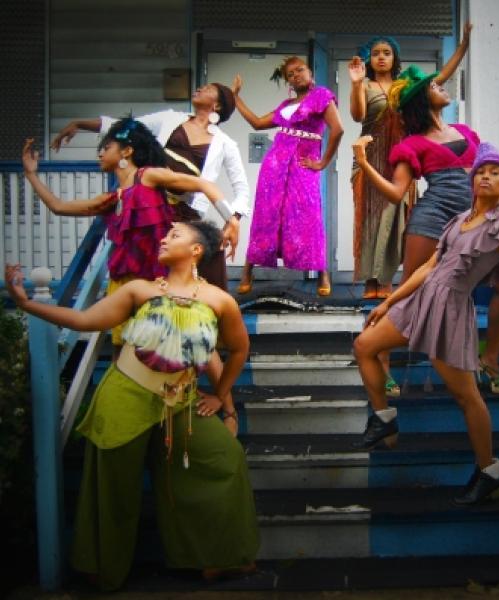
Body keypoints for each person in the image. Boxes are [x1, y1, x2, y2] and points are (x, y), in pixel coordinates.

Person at [5, 220, 260, 590]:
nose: (163, 237)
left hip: (180, 405)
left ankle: (218, 558)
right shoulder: (139, 290)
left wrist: (221, 397)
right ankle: (102, 569)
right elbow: (83, 319)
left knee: (225, 458)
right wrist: (26, 304)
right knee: (115, 487)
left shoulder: (220, 301)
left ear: (196, 250)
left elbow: (237, 350)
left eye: (174, 235)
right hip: (125, 396)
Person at [351, 143, 499, 505]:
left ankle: (488, 468)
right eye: (480, 171)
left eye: (496, 173)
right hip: (419, 301)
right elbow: (429, 268)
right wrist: (389, 301)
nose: (485, 177)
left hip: (449, 311)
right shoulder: (459, 220)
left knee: (466, 396)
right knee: (364, 345)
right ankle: (384, 417)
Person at [353, 65, 499, 394]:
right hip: (431, 220)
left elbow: (492, 178)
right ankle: (382, 362)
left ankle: (490, 360)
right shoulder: (411, 145)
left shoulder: (466, 132)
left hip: (474, 222)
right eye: (434, 86)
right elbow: (397, 194)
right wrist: (366, 164)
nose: (441, 88)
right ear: (421, 102)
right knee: (409, 293)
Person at [23, 119, 230, 353]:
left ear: (127, 151)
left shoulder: (148, 176)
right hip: (124, 280)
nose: (100, 154)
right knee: (123, 346)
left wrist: (231, 219)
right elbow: (58, 206)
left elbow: (203, 184)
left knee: (162, 344)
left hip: (157, 279)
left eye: (106, 148)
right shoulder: (112, 199)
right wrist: (31, 174)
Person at [348, 25, 472, 397]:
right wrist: (356, 82)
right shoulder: (366, 87)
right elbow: (357, 116)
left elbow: (440, 80)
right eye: (376, 52)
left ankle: (385, 281)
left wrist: (463, 47)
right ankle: (373, 281)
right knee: (369, 221)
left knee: (395, 221)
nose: (381, 57)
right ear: (369, 59)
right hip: (371, 156)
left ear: (395, 57)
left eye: (388, 52)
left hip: (402, 160)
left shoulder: (408, 88)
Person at [50, 82, 249, 289]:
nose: (199, 88)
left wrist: (232, 218)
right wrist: (80, 124)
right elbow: (129, 127)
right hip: (150, 205)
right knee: (147, 267)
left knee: (203, 257)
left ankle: (208, 312)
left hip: (183, 213)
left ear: (217, 105)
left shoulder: (225, 144)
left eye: (208, 89)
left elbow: (242, 189)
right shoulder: (170, 118)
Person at [232, 56, 344, 296]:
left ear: (310, 72)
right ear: (288, 83)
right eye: (291, 74)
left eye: (300, 70)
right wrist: (236, 98)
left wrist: (323, 162)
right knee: (266, 214)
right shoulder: (285, 105)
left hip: (303, 165)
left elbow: (338, 129)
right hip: (274, 166)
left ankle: (322, 272)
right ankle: (248, 270)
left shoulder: (322, 96)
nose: (296, 75)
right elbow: (257, 123)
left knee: (308, 215)